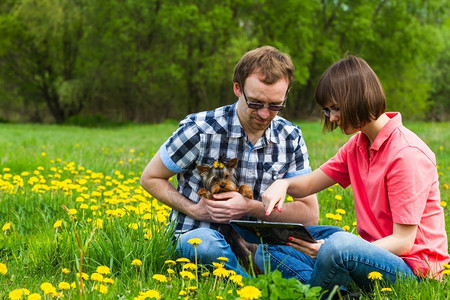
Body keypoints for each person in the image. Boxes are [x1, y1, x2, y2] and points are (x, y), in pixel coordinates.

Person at [259, 55, 450, 293]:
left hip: (414, 271)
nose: (332, 118)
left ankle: (321, 287)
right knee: (274, 241)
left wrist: (336, 248)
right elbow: (309, 183)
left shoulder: (406, 153)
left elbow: (403, 242)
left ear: (359, 99)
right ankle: (339, 290)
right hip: (367, 253)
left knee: (337, 245)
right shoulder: (357, 145)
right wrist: (283, 184)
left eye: (336, 108)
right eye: (327, 110)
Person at [140, 46, 334, 276]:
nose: (264, 114)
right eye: (255, 103)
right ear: (237, 88)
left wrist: (250, 207)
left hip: (264, 246)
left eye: (275, 105)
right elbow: (150, 177)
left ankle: (319, 287)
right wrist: (194, 210)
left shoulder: (290, 136)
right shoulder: (200, 129)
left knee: (334, 239)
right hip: (204, 234)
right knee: (203, 246)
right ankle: (252, 287)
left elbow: (309, 214)